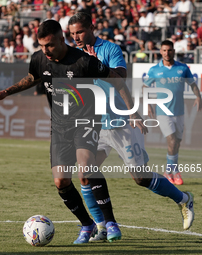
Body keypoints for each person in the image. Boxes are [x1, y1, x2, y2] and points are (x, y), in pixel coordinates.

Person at [0, 19, 147, 244]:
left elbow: (118, 81)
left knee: (86, 168)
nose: (45, 51)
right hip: (60, 126)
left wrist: (132, 111)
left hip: (86, 121)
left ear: (62, 39)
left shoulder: (83, 61)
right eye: (41, 45)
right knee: (61, 181)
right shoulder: (39, 58)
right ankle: (87, 225)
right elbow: (33, 78)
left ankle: (110, 222)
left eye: (50, 45)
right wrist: (6, 92)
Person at [68, 12, 195, 242]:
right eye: (72, 33)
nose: (76, 37)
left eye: (79, 32)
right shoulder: (73, 55)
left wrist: (95, 65)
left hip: (120, 121)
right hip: (94, 124)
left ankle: (184, 199)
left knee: (139, 177)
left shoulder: (110, 49)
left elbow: (120, 79)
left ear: (91, 28)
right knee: (85, 173)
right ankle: (102, 225)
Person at [144, 40, 202, 186]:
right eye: (164, 50)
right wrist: (148, 104)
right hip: (163, 112)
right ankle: (174, 171)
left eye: (169, 50)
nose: (167, 53)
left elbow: (193, 84)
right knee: (172, 140)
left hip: (180, 112)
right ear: (161, 52)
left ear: (173, 51)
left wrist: (198, 96)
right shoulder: (155, 70)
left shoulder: (182, 68)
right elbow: (145, 87)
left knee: (177, 143)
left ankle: (168, 172)